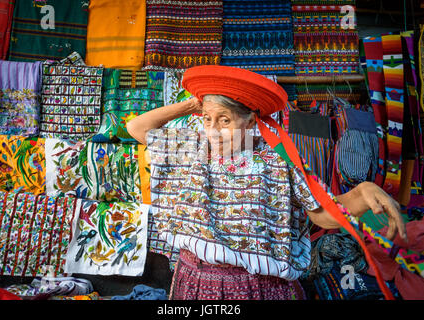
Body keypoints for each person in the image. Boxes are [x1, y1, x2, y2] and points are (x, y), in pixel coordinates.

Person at [127, 65, 407, 300]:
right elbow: (136, 128)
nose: (212, 131)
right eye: (207, 119)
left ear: (250, 122)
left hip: (255, 288)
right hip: (194, 281)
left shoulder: (277, 161)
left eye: (224, 120)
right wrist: (194, 102)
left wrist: (363, 191)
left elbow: (321, 214)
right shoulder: (195, 148)